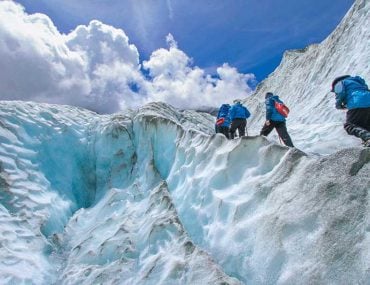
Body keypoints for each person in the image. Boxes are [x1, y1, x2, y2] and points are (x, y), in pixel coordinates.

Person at [331, 75, 370, 147]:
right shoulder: (358, 81)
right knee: (365, 124)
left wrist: (339, 105)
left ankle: (368, 138)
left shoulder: (339, 83)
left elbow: (340, 95)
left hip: (357, 102)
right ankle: (367, 141)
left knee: (349, 126)